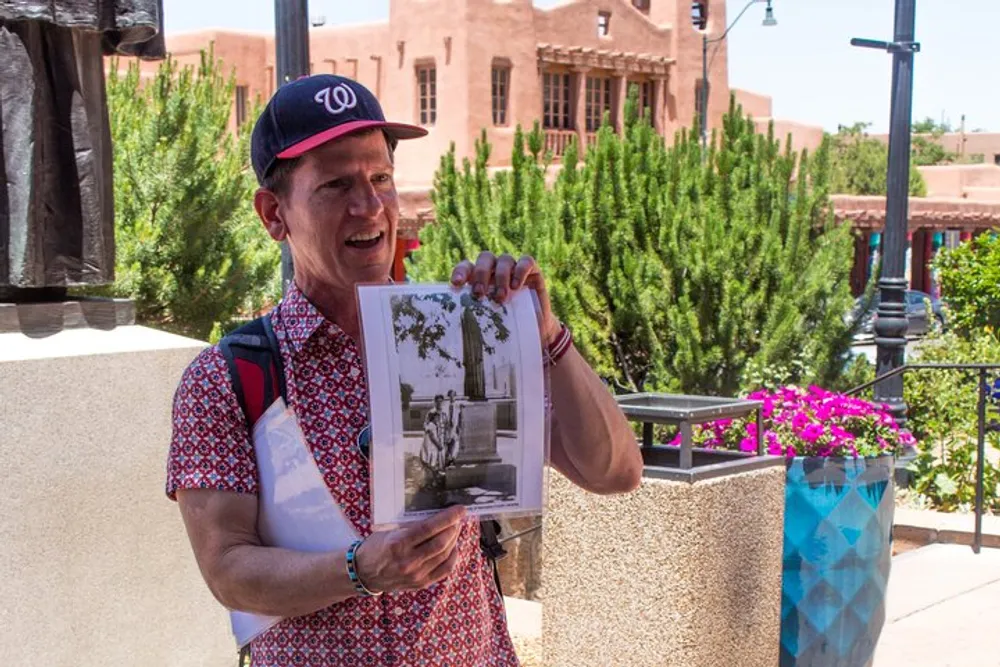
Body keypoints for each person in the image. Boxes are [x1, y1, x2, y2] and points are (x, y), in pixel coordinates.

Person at [166, 74, 643, 667]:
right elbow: (229, 569)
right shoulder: (227, 379)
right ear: (273, 214)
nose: (367, 206)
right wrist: (361, 569)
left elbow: (615, 472)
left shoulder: (457, 336)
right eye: (336, 184)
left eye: (380, 179)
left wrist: (544, 336)